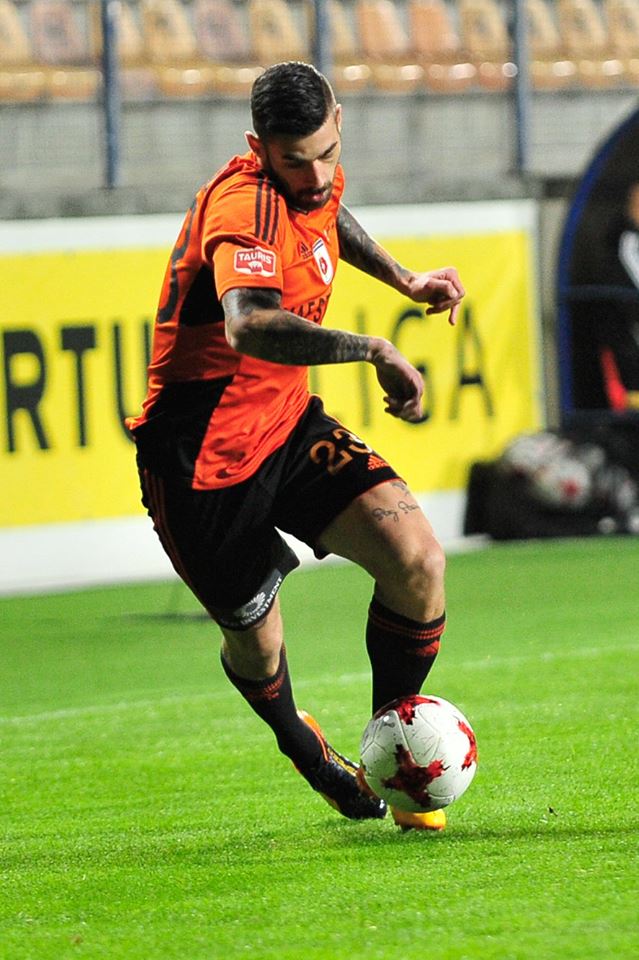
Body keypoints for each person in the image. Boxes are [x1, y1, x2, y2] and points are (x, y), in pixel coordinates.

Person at [128, 61, 465, 831]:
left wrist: (403, 279)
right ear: (259, 148)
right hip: (200, 458)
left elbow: (327, 220)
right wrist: (374, 348)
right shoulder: (242, 206)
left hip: (283, 424)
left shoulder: (315, 180)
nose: (313, 176)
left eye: (324, 154)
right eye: (293, 162)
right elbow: (249, 324)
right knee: (256, 642)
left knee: (417, 561)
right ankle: (302, 747)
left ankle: (395, 751)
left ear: (338, 122)